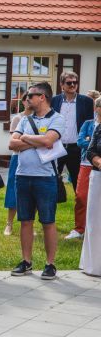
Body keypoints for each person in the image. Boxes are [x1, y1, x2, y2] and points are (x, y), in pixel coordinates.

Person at [9, 81, 65, 280]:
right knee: (25, 221)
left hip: (45, 177)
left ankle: (50, 264)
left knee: (48, 222)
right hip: (23, 176)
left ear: (43, 97)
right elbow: (11, 144)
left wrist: (25, 139)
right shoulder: (25, 120)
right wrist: (34, 140)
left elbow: (49, 141)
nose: (27, 99)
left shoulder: (57, 118)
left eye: (31, 95)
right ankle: (26, 262)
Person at [51, 71, 93, 196]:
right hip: (56, 146)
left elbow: (89, 125)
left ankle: (80, 214)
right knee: (51, 180)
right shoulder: (54, 101)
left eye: (75, 82)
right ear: (61, 85)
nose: (73, 85)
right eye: (69, 83)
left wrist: (87, 139)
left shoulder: (86, 101)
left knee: (78, 184)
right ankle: (47, 211)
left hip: (76, 148)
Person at [71, 97, 101, 240]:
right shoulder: (88, 124)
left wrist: (90, 142)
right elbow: (80, 141)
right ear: (96, 108)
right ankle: (79, 229)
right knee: (81, 197)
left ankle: (94, 230)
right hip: (86, 164)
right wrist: (92, 146)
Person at [4, 94, 32, 236]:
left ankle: (28, 224)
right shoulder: (17, 118)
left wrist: (24, 142)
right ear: (23, 102)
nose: (30, 102)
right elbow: (14, 145)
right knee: (13, 190)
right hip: (17, 158)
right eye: (28, 99)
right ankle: (9, 223)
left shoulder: (41, 118)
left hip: (34, 159)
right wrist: (35, 143)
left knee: (31, 192)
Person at [80, 111, 101, 276]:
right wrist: (98, 161)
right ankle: (93, 264)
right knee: (95, 219)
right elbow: (90, 151)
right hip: (98, 176)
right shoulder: (99, 128)